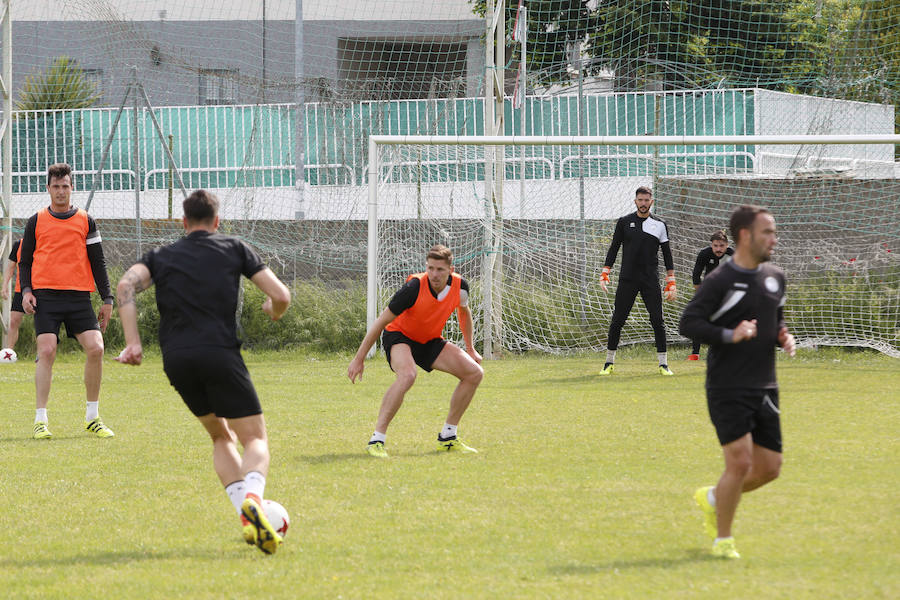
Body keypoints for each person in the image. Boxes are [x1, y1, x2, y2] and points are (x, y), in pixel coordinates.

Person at [115, 189, 291, 555]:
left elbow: (125, 285)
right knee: (255, 439)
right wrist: (273, 312)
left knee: (219, 436)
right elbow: (282, 296)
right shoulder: (234, 247)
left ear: (183, 222)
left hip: (177, 360)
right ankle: (254, 499)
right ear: (216, 221)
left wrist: (133, 343)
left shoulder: (162, 256)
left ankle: (246, 516)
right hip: (219, 353)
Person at [679, 205, 796, 560]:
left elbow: (775, 319)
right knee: (740, 462)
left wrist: (783, 336)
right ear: (745, 235)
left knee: (770, 469)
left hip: (765, 385)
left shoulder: (775, 277)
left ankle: (714, 497)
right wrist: (731, 333)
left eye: (774, 232)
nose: (773, 239)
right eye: (767, 232)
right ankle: (723, 540)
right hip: (727, 385)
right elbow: (689, 323)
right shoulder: (720, 281)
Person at [347, 244, 483, 458]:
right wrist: (359, 359)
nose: (434, 274)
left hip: (428, 340)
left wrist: (470, 348)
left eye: (440, 269)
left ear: (451, 270)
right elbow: (380, 322)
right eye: (430, 268)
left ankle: (448, 437)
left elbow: (464, 313)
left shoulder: (461, 287)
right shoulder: (413, 288)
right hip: (399, 336)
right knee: (408, 375)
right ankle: (377, 440)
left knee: (474, 373)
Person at [17, 163, 115, 440]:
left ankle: (92, 417)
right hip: (45, 297)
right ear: (48, 189)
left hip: (78, 297)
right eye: (56, 186)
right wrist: (26, 291)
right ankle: (40, 420)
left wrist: (107, 298)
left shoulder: (86, 220)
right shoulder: (36, 221)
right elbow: (25, 262)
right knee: (46, 351)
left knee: (96, 348)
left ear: (72, 188)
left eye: (66, 186)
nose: (61, 191)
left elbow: (98, 262)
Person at [599, 186, 677, 376]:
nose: (643, 203)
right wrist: (605, 272)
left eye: (646, 200)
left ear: (652, 202)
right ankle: (609, 362)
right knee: (617, 320)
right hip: (628, 279)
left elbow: (667, 254)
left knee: (657, 320)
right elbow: (614, 248)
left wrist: (671, 280)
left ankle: (663, 364)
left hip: (650, 280)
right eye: (640, 200)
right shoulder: (624, 222)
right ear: (635, 201)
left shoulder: (660, 224)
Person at [687, 230, 734, 360]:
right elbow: (696, 276)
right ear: (711, 245)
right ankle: (695, 354)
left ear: (727, 245)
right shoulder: (704, 254)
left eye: (721, 246)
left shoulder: (734, 255)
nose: (718, 249)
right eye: (715, 246)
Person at [1, 238, 27, 351]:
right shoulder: (19, 244)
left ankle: (42, 354)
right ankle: (9, 353)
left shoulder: (45, 243)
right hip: (21, 289)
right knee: (13, 320)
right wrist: (4, 286)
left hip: (42, 288)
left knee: (43, 322)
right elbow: (10, 267)